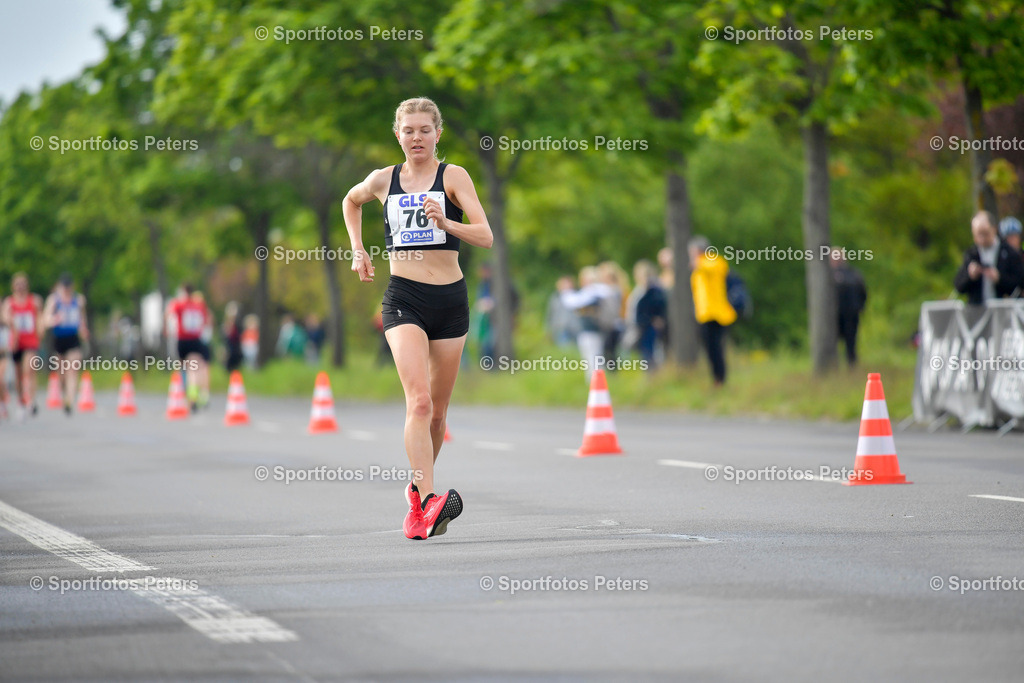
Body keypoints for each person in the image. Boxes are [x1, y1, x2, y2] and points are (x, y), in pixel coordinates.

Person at [343, 96, 492, 540]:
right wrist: (357, 249)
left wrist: (448, 223)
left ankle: (415, 492)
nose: (416, 137)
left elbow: (485, 235)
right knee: (419, 401)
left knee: (439, 414)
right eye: (408, 130)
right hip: (403, 297)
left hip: (451, 300)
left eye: (425, 130)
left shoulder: (454, 177)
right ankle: (428, 503)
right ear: (397, 135)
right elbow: (350, 202)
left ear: (438, 134)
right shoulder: (383, 180)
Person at [688, 237, 736, 385]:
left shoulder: (714, 261)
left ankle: (720, 379)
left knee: (716, 349)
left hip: (717, 314)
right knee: (709, 349)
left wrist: (698, 260)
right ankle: (716, 378)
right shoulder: (699, 267)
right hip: (704, 314)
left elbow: (710, 268)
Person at [558, 266, 617, 380]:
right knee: (590, 361)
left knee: (595, 360)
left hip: (594, 331)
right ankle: (593, 386)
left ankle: (598, 386)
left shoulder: (596, 292)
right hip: (586, 331)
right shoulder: (590, 293)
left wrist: (566, 291)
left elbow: (575, 301)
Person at [43, 273, 90, 414]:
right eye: (64, 286)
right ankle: (65, 394)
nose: (67, 289)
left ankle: (70, 399)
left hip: (73, 338)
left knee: (73, 369)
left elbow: (82, 318)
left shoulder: (79, 300)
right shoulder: (54, 300)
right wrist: (54, 319)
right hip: (59, 339)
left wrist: (83, 330)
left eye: (69, 286)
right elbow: (45, 319)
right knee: (62, 372)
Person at [954, 211, 1024, 304]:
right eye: (978, 234)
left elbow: (1019, 284)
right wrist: (970, 276)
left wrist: (999, 279)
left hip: (1003, 311)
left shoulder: (1009, 253)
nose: (982, 239)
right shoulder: (972, 254)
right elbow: (958, 286)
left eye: (985, 233)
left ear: (994, 229)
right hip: (978, 312)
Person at [2, 273, 43, 417]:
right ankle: (21, 401)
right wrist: (11, 323)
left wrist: (40, 332)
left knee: (30, 368)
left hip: (30, 341)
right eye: (18, 284)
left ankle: (31, 400)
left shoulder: (34, 301)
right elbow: (5, 317)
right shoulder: (9, 303)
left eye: (23, 283)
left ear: (27, 285)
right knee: (19, 374)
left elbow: (39, 319)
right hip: (16, 343)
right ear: (13, 286)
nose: (20, 287)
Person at [166, 283, 212, 412]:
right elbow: (206, 319)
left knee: (184, 368)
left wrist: (166, 329)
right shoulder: (198, 305)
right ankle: (194, 395)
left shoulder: (179, 304)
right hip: (195, 339)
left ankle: (189, 396)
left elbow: (169, 314)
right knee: (195, 368)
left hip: (182, 339)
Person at [626, 260, 667, 369]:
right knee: (645, 351)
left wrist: (655, 318)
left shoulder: (653, 290)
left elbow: (657, 306)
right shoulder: (640, 290)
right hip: (640, 324)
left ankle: (654, 374)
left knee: (652, 350)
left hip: (649, 324)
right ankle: (650, 373)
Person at [830, 252, 867, 367]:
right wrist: (860, 308)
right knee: (850, 342)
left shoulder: (830, 276)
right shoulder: (855, 274)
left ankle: (836, 365)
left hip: (839, 315)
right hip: (851, 313)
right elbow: (863, 293)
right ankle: (850, 365)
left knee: (838, 342)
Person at [545, 276, 579, 348]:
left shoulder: (578, 296)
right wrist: (548, 330)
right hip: (561, 329)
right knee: (564, 351)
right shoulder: (555, 298)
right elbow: (550, 315)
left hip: (576, 329)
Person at [222, 302, 243, 373]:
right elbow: (224, 337)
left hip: (236, 349)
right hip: (229, 348)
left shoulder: (238, 324)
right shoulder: (226, 324)